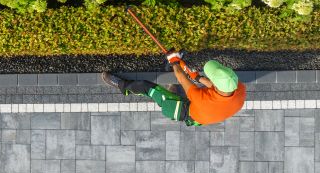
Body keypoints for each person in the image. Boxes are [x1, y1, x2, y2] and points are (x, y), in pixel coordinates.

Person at [101, 57, 246, 126]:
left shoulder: (202, 100)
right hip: (206, 111)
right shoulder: (238, 88)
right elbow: (213, 86)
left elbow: (182, 77)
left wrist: (174, 61)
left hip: (187, 113)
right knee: (181, 91)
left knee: (148, 88)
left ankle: (122, 85)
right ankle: (175, 94)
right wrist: (198, 78)